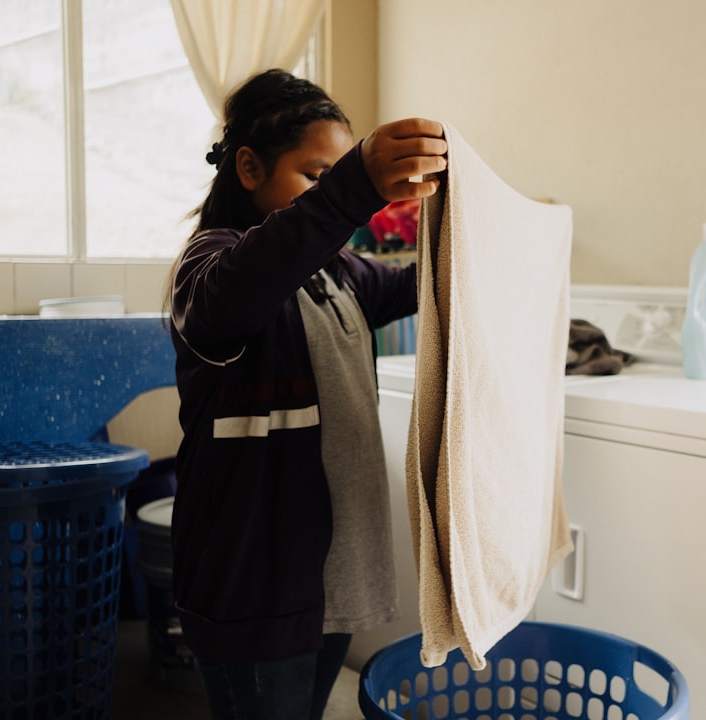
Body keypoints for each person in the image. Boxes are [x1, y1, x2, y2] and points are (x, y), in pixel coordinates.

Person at [165, 69, 447, 720]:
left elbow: (421, 284)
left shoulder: (339, 272)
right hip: (255, 586)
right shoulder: (209, 266)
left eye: (337, 178)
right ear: (248, 168)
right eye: (315, 176)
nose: (333, 194)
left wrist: (460, 215)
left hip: (328, 577)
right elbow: (238, 291)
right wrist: (352, 188)